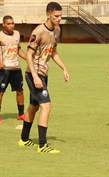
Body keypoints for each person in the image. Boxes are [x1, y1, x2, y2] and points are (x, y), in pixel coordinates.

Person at [18, 2, 70, 153]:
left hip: (44, 74)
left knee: (33, 106)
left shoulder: (57, 30)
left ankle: (24, 139)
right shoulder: (38, 31)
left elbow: (53, 51)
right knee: (46, 106)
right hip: (34, 73)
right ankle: (42, 145)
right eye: (56, 16)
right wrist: (34, 76)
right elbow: (28, 54)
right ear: (48, 15)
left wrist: (64, 68)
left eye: (60, 16)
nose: (59, 19)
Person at [0, 15, 27, 124]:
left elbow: (18, 49)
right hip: (4, 69)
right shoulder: (0, 36)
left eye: (12, 23)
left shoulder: (17, 34)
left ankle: (21, 114)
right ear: (3, 25)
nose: (11, 26)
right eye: (8, 24)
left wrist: (26, 58)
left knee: (20, 91)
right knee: (0, 92)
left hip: (16, 68)